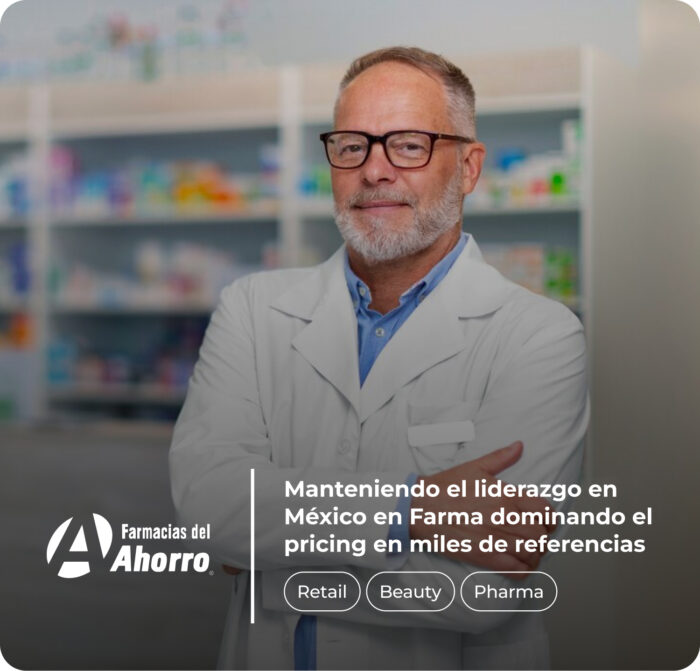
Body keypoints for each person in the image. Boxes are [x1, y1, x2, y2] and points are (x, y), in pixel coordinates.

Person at [169, 46, 588, 670]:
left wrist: (265, 553)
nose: (375, 171)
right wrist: (413, 510)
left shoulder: (539, 336)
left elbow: (481, 593)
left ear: (468, 167)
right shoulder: (253, 310)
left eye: (409, 145)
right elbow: (206, 509)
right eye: (351, 146)